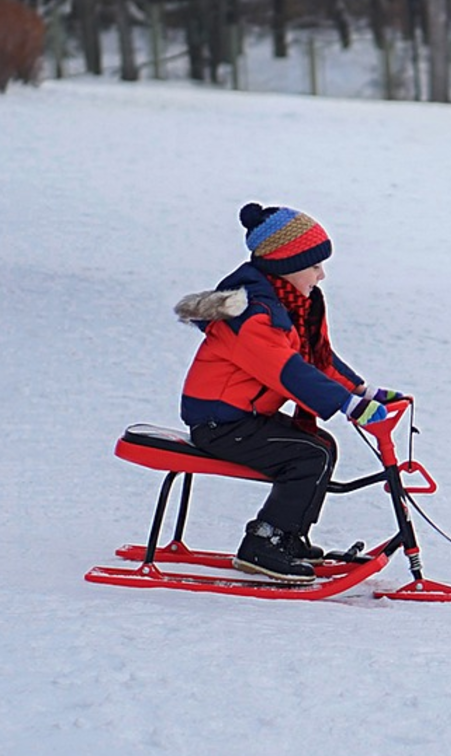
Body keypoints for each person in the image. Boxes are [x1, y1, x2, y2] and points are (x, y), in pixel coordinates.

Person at [172, 203, 408, 582]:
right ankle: (263, 544)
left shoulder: (290, 305)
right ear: (286, 264)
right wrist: (348, 405)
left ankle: (289, 537)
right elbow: (289, 371)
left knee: (321, 447)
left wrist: (365, 391)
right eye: (314, 265)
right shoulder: (251, 316)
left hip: (244, 417)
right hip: (219, 422)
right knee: (307, 455)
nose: (322, 274)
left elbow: (316, 359)